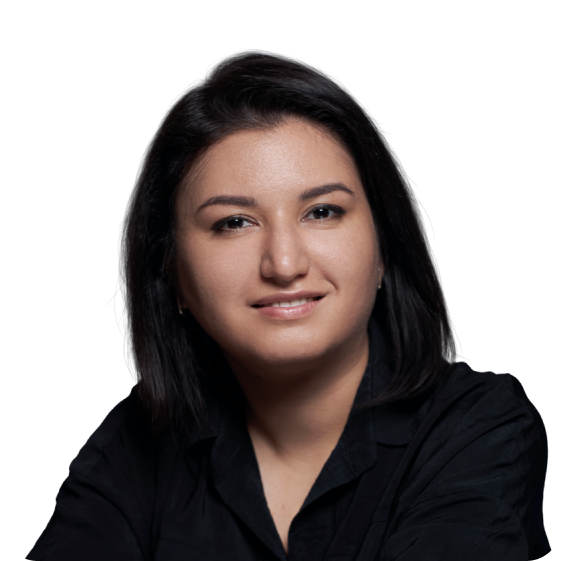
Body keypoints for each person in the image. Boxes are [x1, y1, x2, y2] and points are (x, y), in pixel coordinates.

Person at [26, 50, 551, 561]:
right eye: (233, 222)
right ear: (172, 273)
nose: (283, 263)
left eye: (322, 212)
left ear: (384, 246)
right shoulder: (134, 445)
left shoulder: (480, 426)